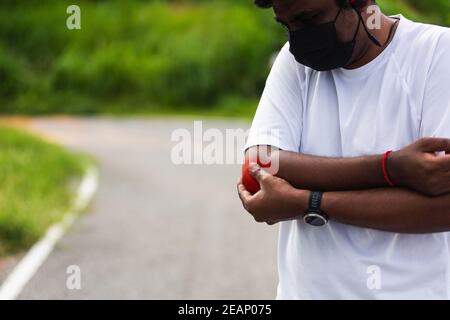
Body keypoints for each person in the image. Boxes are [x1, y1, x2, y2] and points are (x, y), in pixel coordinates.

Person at [237, 0, 450, 299]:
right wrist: (392, 169)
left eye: (310, 19)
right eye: (287, 26)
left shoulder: (437, 54)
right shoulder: (295, 62)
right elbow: (260, 164)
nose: (299, 40)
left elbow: (443, 209)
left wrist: (307, 201)